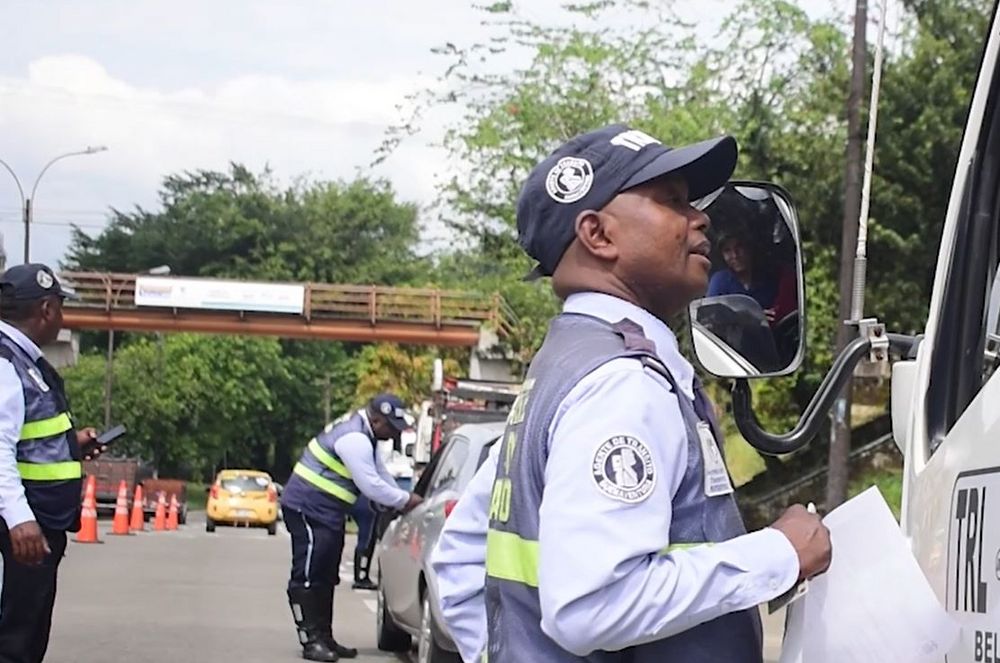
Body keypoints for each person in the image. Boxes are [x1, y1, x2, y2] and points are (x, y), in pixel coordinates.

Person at [431, 124, 832, 662]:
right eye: (672, 201)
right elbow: (591, 605)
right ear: (598, 235)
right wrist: (778, 553)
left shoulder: (565, 368)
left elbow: (456, 561)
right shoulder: (621, 384)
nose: (701, 217)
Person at [0, 263, 105, 663]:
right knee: (14, 642)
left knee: (26, 638)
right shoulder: (7, 362)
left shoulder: (24, 361)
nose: (62, 317)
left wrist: (70, 445)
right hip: (21, 530)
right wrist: (19, 519)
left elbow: (25, 437)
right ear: (46, 310)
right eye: (60, 308)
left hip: (34, 526)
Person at [280, 393, 424, 662]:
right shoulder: (355, 439)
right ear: (377, 419)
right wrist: (405, 500)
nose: (393, 434)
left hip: (328, 512)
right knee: (309, 574)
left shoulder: (365, 433)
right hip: (308, 507)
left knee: (326, 575)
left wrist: (401, 498)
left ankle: (325, 637)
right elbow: (370, 485)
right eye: (391, 427)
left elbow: (380, 474)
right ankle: (311, 640)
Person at [707, 231, 797, 324]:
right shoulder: (720, 281)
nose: (735, 255)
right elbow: (711, 317)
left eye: (739, 247)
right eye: (727, 251)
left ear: (749, 248)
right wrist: (750, 317)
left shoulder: (769, 278)